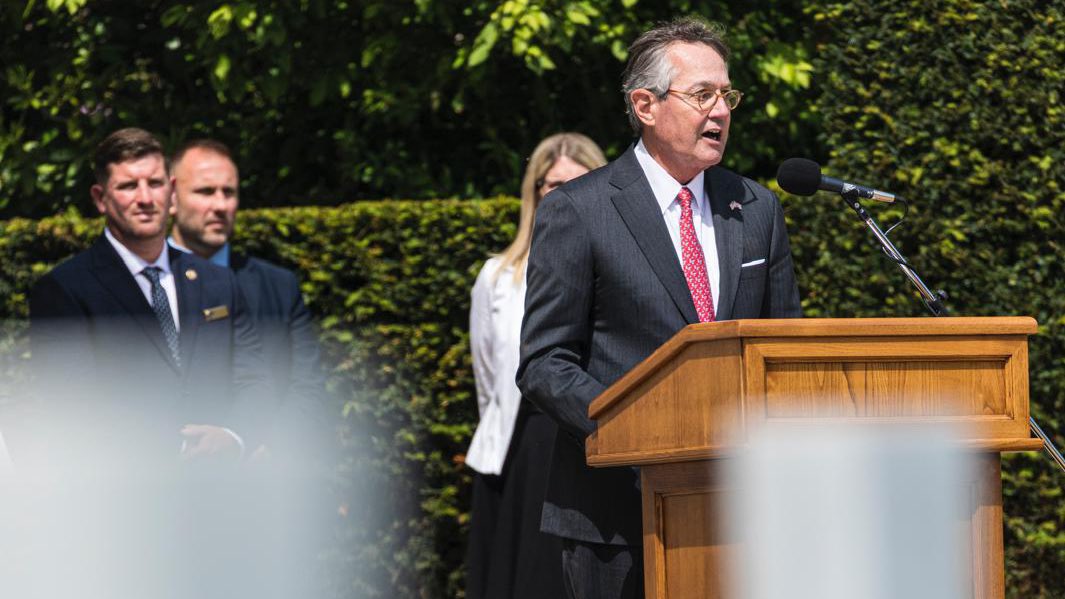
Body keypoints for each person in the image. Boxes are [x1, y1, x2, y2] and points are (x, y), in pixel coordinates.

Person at [516, 17, 802, 599]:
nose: (720, 111)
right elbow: (545, 362)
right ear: (645, 105)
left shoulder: (756, 209)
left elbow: (784, 348)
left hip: (738, 512)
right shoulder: (580, 209)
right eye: (702, 95)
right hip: (613, 517)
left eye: (727, 95)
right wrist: (635, 432)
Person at [28, 127, 270, 464]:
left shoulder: (218, 282)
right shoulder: (64, 291)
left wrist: (234, 437)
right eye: (128, 186)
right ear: (100, 198)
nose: (145, 198)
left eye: (155, 184)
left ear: (172, 193)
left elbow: (253, 379)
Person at [465, 133, 607, 599]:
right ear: (535, 192)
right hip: (520, 454)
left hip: (594, 448)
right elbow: (489, 379)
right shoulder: (497, 278)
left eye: (579, 183)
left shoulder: (616, 272)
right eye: (554, 184)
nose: (565, 195)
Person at [168, 138, 328, 460]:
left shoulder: (279, 288)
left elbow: (306, 388)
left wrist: (264, 449)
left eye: (229, 192)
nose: (221, 205)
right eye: (205, 191)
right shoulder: (137, 284)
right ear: (171, 197)